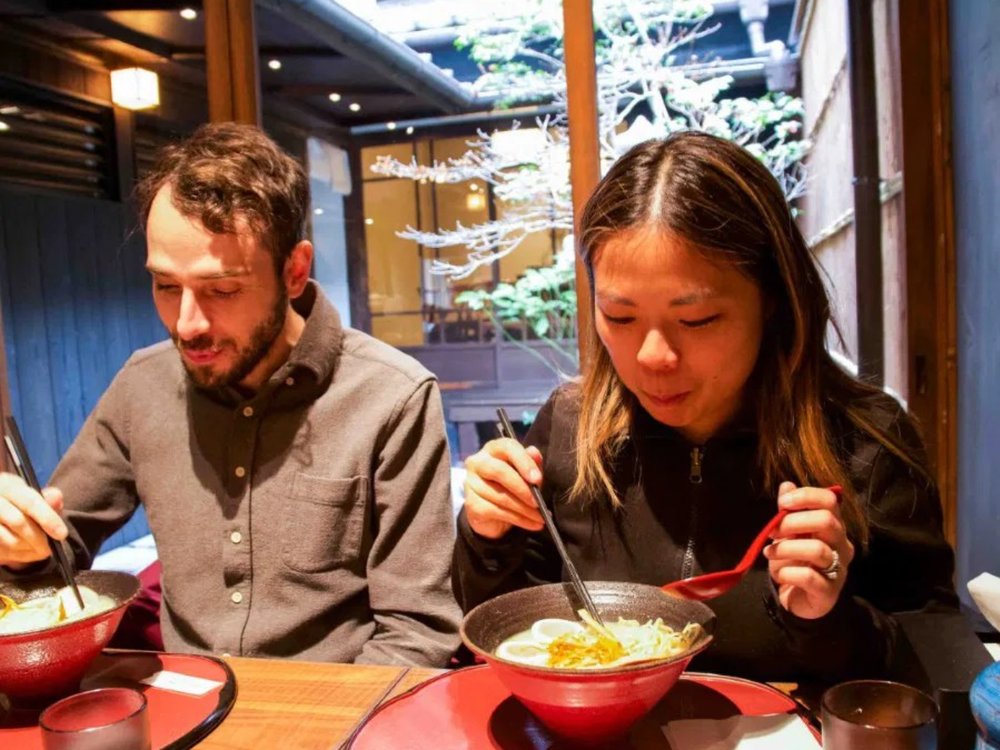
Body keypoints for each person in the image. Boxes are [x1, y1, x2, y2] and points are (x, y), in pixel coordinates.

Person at [453, 131, 958, 683]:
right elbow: (512, 631)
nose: (652, 357)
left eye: (696, 320)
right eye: (619, 317)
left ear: (772, 299)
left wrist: (827, 618)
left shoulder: (866, 443)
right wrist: (488, 537)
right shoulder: (571, 426)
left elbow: (935, 653)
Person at [0, 122, 461, 667]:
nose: (187, 325)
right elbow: (58, 556)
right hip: (185, 701)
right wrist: (23, 547)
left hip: (331, 712)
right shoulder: (143, 384)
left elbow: (418, 630)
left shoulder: (390, 396)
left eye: (221, 290)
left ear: (294, 271)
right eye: (166, 285)